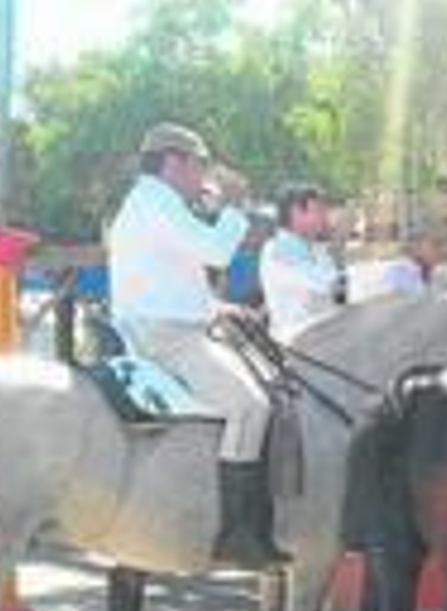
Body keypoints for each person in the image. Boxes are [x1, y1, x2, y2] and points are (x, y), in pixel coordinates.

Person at [107, 121, 287, 567]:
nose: (202, 176)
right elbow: (216, 252)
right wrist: (232, 207)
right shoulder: (157, 200)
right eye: (199, 166)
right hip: (168, 338)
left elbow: (172, 277)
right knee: (253, 406)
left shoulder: (152, 202)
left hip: (169, 325)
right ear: (174, 162)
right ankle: (237, 532)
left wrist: (218, 308)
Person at [260, 183, 341, 340]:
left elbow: (339, 294)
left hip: (325, 335)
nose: (325, 218)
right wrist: (338, 243)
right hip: (299, 341)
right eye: (318, 211)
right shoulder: (279, 249)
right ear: (296, 212)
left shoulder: (315, 248)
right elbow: (328, 285)